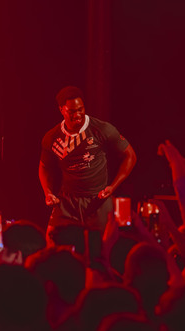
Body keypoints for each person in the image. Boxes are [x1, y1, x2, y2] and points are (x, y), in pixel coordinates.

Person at [39, 86, 136, 233]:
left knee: (107, 243)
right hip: (67, 202)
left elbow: (130, 156)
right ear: (61, 110)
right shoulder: (52, 137)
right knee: (52, 240)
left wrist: (113, 186)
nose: (78, 115)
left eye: (81, 109)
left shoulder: (101, 129)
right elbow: (44, 167)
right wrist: (48, 192)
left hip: (98, 200)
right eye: (72, 111)